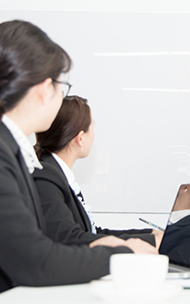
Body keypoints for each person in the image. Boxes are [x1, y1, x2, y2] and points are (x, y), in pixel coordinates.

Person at [0, 21, 156, 304]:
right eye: (61, 87)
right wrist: (121, 255)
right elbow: (35, 262)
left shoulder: (1, 148)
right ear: (45, 89)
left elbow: (36, 247)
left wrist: (101, 247)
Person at [33, 95, 159, 247]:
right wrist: (151, 241)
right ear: (80, 138)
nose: (93, 135)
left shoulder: (55, 173)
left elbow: (92, 234)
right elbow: (69, 239)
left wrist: (150, 234)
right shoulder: (46, 178)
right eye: (92, 128)